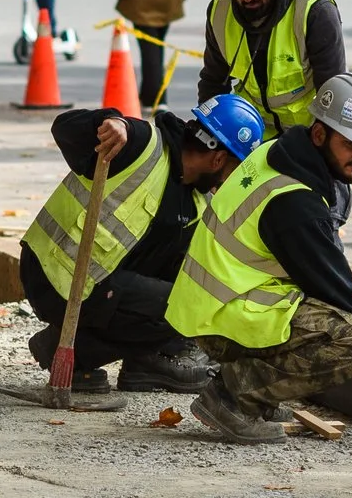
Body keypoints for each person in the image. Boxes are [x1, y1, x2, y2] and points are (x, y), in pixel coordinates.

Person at [167, 72, 352, 441]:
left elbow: (319, 267)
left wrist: (350, 285)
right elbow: (328, 286)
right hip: (223, 319)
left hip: (210, 306)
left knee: (345, 309)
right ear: (320, 135)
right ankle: (234, 395)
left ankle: (253, 393)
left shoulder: (280, 153)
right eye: (351, 144)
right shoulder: (293, 199)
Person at [20, 93, 267, 393]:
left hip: (99, 284)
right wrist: (109, 121)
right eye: (233, 170)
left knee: (198, 289)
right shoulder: (141, 146)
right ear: (218, 159)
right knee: (185, 304)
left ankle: (99, 355)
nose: (227, 182)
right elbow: (64, 126)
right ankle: (90, 350)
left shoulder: (198, 200)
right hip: (54, 275)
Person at [198, 0, 346, 133]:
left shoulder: (315, 12)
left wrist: (320, 146)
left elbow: (332, 94)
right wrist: (208, 132)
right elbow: (213, 82)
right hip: (249, 133)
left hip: (307, 133)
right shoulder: (220, 11)